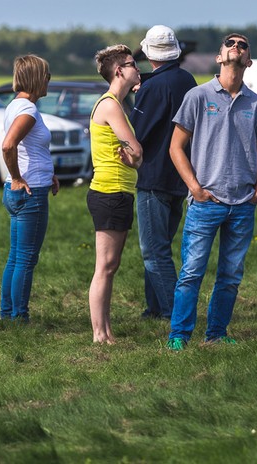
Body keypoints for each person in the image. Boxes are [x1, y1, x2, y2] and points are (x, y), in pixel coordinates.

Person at [166, 33, 257, 351]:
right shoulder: (198, 97)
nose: (236, 48)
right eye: (231, 44)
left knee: (230, 275)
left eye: (243, 45)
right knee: (191, 272)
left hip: (242, 204)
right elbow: (175, 147)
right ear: (219, 57)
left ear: (248, 61)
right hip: (205, 202)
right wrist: (195, 188)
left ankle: (216, 332)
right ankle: (179, 335)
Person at [129, 25, 197, 319]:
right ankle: (154, 307)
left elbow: (139, 132)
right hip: (180, 174)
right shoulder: (187, 79)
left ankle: (173, 312)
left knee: (154, 251)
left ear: (148, 53)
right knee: (163, 244)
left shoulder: (151, 88)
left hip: (153, 175)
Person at [87, 44, 143, 344]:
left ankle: (106, 330)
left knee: (111, 266)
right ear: (119, 71)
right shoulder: (110, 105)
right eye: (133, 64)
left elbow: (135, 155)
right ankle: (99, 334)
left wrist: (135, 157)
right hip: (109, 191)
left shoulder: (116, 105)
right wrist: (136, 156)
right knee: (105, 267)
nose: (138, 69)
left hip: (118, 191)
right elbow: (137, 150)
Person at [0, 55, 59, 322]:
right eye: (46, 75)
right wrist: (17, 177)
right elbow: (8, 145)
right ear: (36, 78)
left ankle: (8, 313)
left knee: (16, 257)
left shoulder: (16, 106)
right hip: (29, 193)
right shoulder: (28, 111)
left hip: (24, 190)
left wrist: (50, 173)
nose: (48, 80)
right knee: (25, 258)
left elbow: (29, 149)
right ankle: (19, 317)